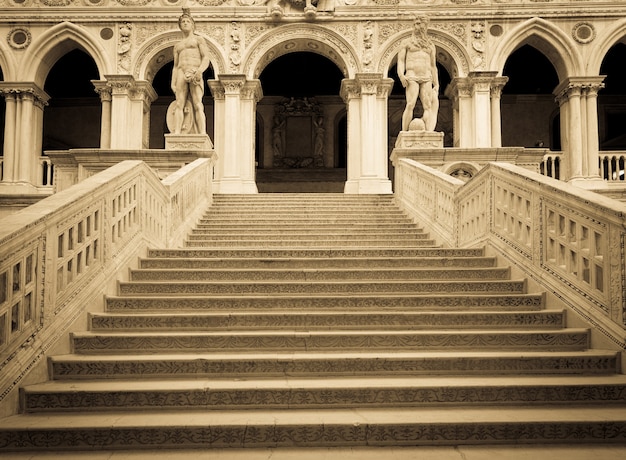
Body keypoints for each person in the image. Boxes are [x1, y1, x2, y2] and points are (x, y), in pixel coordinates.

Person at [397, 15, 439, 132]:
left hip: (427, 77)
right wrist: (401, 75)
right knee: (410, 104)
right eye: (415, 24)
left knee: (428, 106)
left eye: (420, 24)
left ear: (425, 27)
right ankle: (404, 132)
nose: (417, 27)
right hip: (412, 76)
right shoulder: (406, 42)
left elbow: (433, 65)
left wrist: (437, 83)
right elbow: (400, 61)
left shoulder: (430, 45)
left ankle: (429, 132)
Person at [171, 9, 210, 134]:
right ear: (180, 26)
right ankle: (177, 131)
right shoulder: (177, 46)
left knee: (197, 103)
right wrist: (173, 82)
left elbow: (206, 57)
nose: (185, 23)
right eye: (183, 22)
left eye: (188, 21)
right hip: (181, 72)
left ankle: (202, 132)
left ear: (193, 25)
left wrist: (200, 71)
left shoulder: (199, 40)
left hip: (194, 70)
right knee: (179, 104)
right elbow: (176, 66)